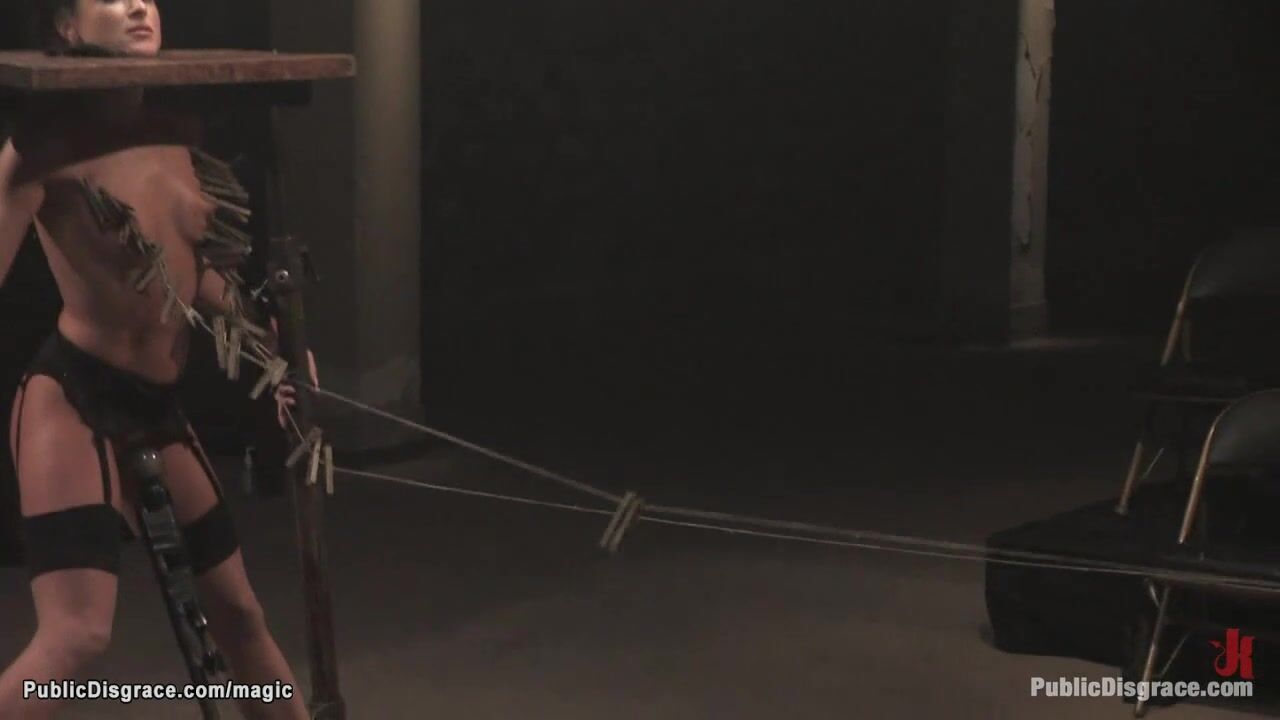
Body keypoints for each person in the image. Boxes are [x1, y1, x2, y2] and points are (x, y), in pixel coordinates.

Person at [0, 2, 311, 718]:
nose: (139, 5)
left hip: (156, 404)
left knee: (240, 615)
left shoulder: (178, 133)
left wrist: (279, 349)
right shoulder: (45, 145)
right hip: (72, 395)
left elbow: (194, 275)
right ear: (68, 28)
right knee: (76, 637)